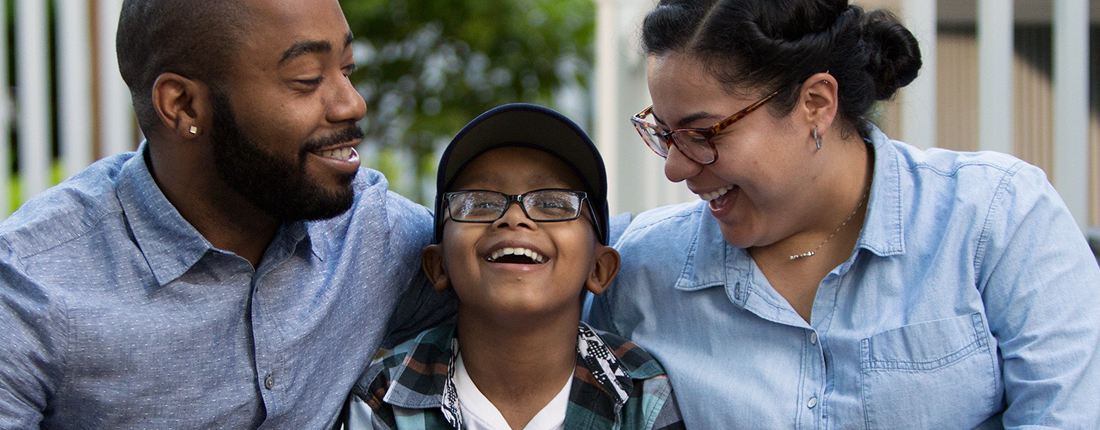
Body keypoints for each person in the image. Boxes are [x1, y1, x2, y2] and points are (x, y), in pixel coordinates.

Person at [586, 0, 1100, 428]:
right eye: (664, 134)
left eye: (703, 134)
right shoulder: (642, 271)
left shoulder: (994, 220)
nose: (676, 167)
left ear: (815, 102)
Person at [0, 0, 454, 427]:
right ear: (183, 105)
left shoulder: (374, 234)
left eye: (347, 69)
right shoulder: (29, 289)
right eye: (307, 78)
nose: (352, 103)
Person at [339, 104, 684, 430]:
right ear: (437, 265)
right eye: (480, 203)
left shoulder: (641, 394)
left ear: (599, 268)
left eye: (552, 203)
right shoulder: (384, 396)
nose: (514, 218)